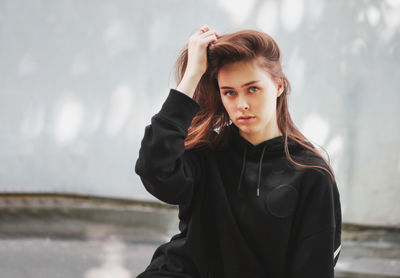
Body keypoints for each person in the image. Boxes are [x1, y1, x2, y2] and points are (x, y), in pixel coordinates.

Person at [135, 24, 342, 278]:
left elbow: (314, 269)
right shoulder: (206, 154)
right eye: (229, 92)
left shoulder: (311, 174)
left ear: (279, 86)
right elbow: (155, 169)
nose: (241, 104)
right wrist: (192, 75)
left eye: (253, 89)